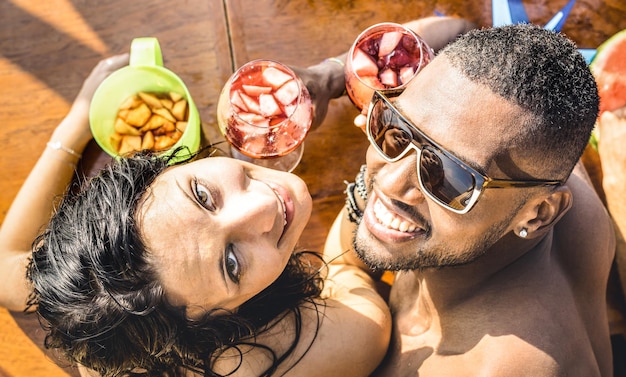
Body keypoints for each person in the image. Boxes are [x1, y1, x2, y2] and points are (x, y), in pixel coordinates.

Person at [0, 54, 391, 376]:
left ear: (158, 165)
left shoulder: (94, 301)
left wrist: (77, 122)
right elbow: (351, 274)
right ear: (220, 323)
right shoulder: (338, 341)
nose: (263, 206)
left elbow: (4, 271)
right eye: (232, 263)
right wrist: (377, 177)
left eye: (202, 195)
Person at [318, 24, 615, 376]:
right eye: (394, 126)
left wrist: (366, 322)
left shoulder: (478, 367)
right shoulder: (535, 155)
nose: (392, 181)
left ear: (538, 215)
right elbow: (460, 29)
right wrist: (327, 76)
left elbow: (340, 264)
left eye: (450, 176)